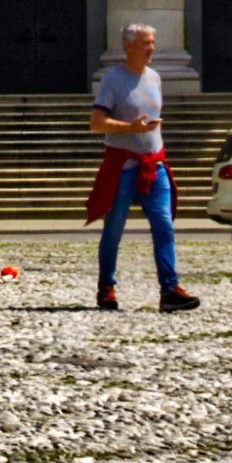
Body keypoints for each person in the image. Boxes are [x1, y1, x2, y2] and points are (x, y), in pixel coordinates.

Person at [89, 23, 197, 313]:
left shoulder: (155, 78)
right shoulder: (113, 79)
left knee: (164, 225)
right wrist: (130, 128)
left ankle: (169, 289)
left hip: (154, 165)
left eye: (152, 42)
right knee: (113, 230)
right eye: (146, 43)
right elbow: (96, 121)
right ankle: (106, 287)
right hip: (123, 167)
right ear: (129, 46)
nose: (152, 48)